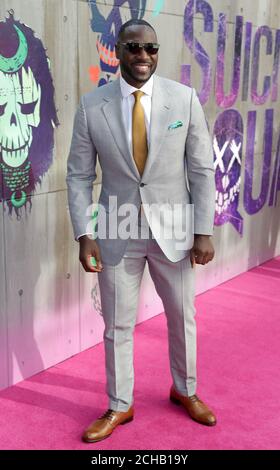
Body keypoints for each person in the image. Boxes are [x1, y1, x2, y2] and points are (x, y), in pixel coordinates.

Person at [66, 19, 217, 444]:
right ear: (118, 50)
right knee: (117, 324)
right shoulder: (91, 106)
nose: (143, 56)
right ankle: (120, 404)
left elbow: (201, 169)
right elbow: (78, 176)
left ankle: (185, 389)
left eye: (150, 48)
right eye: (133, 47)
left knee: (182, 316)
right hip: (117, 230)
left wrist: (202, 230)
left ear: (157, 51)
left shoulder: (183, 99)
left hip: (174, 231)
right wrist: (84, 234)